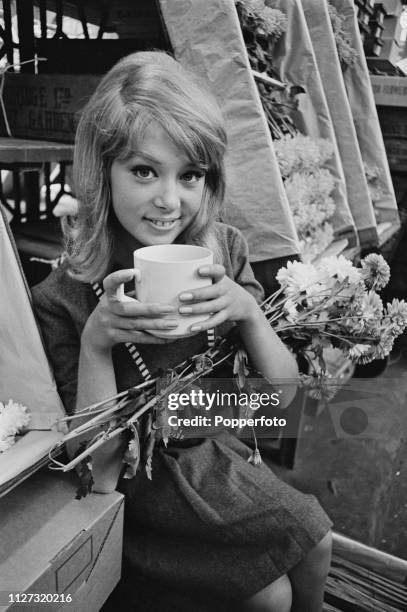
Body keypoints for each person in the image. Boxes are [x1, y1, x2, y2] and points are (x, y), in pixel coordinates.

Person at [33, 51, 332, 612]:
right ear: (102, 170)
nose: (170, 201)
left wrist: (246, 310)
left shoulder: (225, 251)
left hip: (212, 459)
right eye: (144, 171)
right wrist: (99, 342)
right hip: (137, 488)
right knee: (268, 596)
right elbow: (95, 471)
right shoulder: (64, 298)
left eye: (189, 175)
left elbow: (286, 403)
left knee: (316, 542)